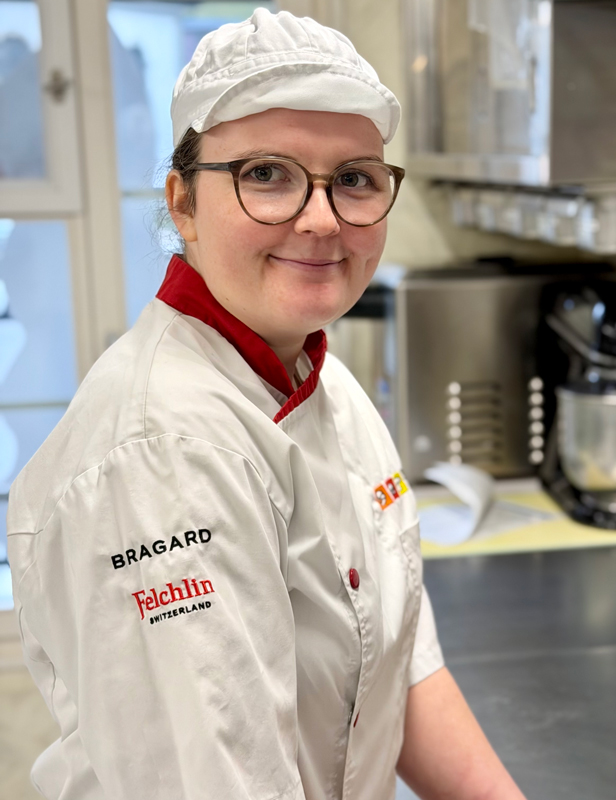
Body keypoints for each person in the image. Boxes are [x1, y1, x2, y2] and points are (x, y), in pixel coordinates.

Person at [7, 10, 526, 800]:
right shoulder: (160, 459)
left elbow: (403, 668)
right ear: (183, 203)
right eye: (267, 174)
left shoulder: (327, 384)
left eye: (355, 178)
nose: (321, 218)